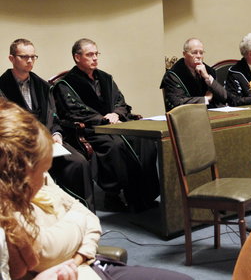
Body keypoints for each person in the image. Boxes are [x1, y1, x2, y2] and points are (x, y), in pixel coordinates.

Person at [0, 98, 193, 280]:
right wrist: (78, 222)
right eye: (41, 172)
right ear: (16, 176)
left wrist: (78, 257)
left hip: (88, 265)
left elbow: (90, 218)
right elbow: (46, 251)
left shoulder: (40, 180)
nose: (45, 179)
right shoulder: (9, 220)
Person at [52, 39, 159, 212]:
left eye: (96, 54)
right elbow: (74, 111)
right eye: (90, 54)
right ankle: (114, 194)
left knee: (144, 139)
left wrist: (116, 114)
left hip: (116, 124)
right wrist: (102, 118)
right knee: (115, 146)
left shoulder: (105, 78)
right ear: (77, 57)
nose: (95, 58)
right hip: (92, 129)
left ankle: (143, 195)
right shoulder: (66, 85)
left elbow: (120, 101)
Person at [0, 39, 94, 211]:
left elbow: (54, 117)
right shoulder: (2, 87)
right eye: (24, 57)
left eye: (33, 57)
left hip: (47, 139)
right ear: (11, 58)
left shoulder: (43, 86)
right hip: (18, 143)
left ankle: (81, 212)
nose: (30, 61)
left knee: (79, 162)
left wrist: (57, 134)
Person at [160, 38, 227, 111]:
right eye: (194, 52)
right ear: (184, 54)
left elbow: (224, 96)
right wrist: (205, 99)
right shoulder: (173, 76)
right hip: (186, 117)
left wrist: (207, 77)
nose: (198, 56)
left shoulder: (208, 71)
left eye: (201, 53)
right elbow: (177, 103)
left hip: (211, 114)